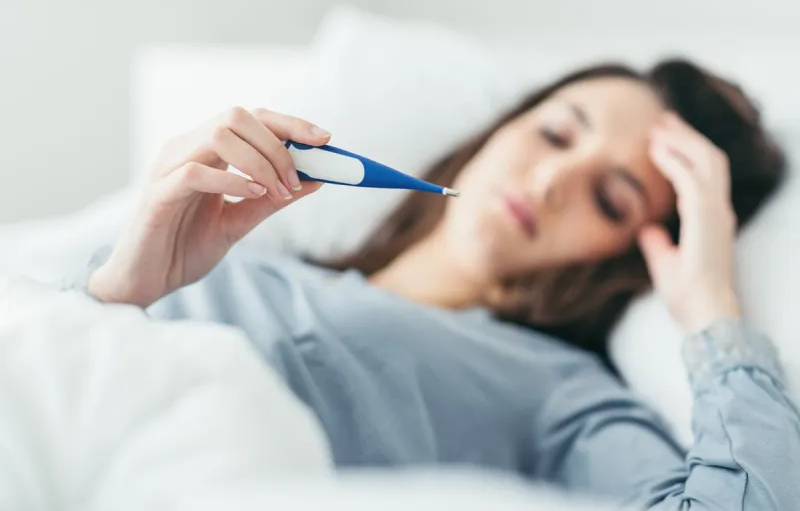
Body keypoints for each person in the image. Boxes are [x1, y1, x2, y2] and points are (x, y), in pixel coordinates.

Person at [73, 58, 800, 509]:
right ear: (501, 128)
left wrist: (713, 308)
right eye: (554, 134)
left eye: (609, 199)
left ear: (631, 253)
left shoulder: (561, 390)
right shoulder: (228, 253)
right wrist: (119, 292)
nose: (551, 182)